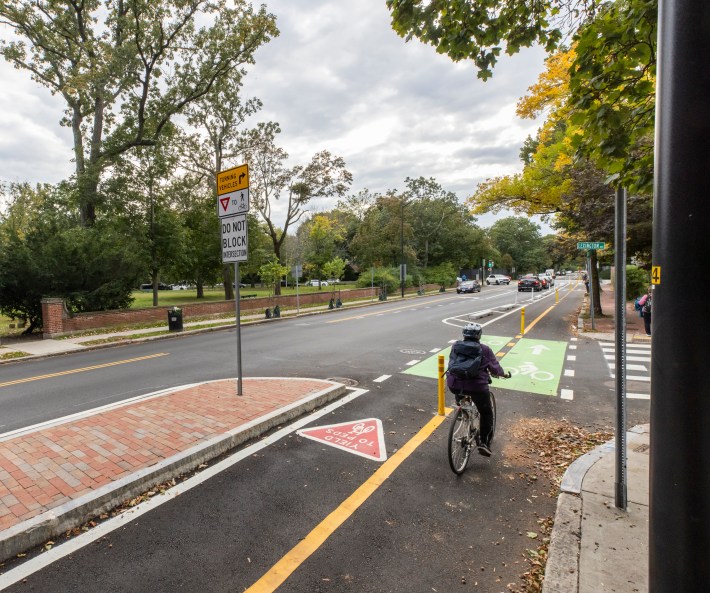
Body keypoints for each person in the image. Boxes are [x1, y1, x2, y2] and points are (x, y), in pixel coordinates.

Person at [446, 323, 510, 457]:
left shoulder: (455, 346)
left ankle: (462, 410)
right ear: (479, 336)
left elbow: (452, 363)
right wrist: (503, 374)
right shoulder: (485, 349)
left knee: (460, 391)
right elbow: (495, 369)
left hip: (455, 384)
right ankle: (484, 443)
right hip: (477, 387)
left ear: (464, 334)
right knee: (486, 413)